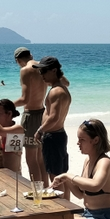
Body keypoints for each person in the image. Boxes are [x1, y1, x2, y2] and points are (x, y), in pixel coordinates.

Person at [35, 56, 72, 195]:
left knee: (56, 179)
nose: (41, 75)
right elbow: (67, 82)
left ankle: (62, 208)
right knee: (62, 177)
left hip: (53, 137)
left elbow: (53, 117)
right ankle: (67, 207)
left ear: (54, 70)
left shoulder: (56, 91)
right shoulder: (61, 88)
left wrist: (40, 130)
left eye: (44, 71)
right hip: (59, 135)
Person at [13, 47, 50, 185]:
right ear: (31, 55)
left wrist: (7, 105)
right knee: (40, 158)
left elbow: (25, 99)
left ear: (18, 61)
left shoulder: (25, 70)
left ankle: (37, 191)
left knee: (31, 160)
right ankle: (45, 189)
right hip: (43, 113)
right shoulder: (43, 66)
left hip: (31, 116)